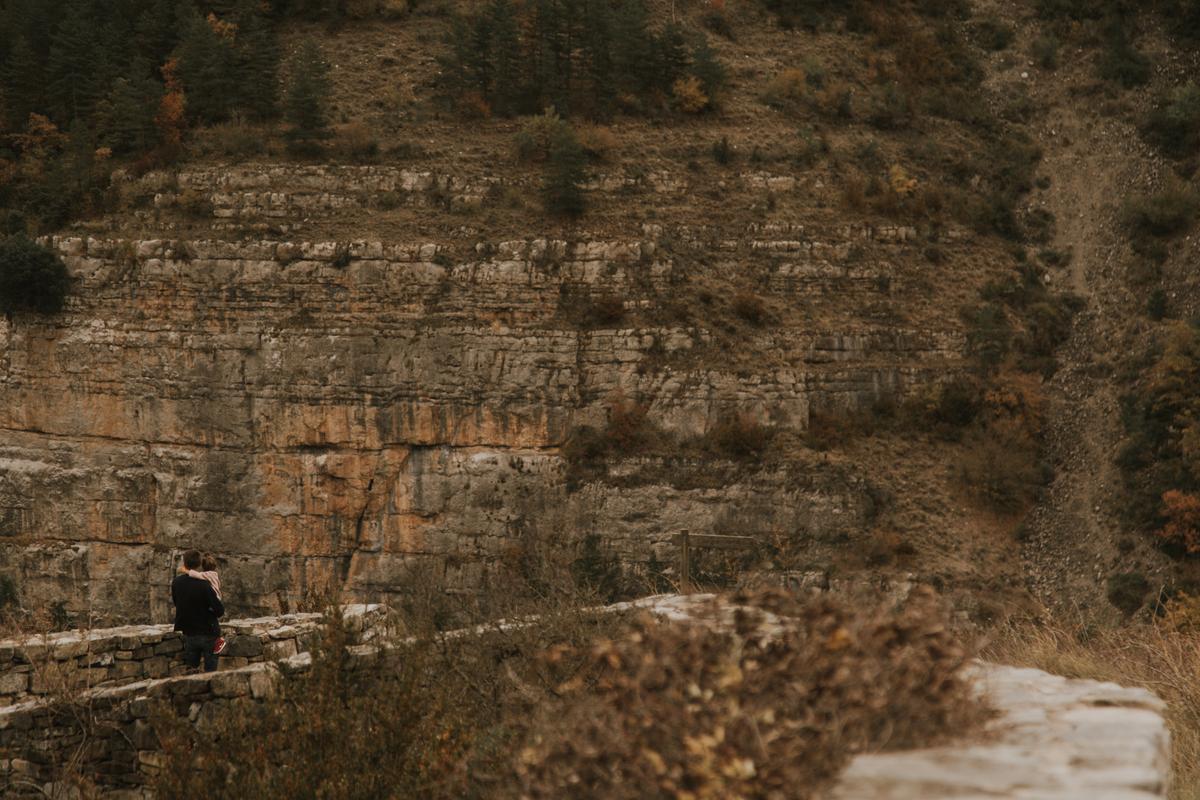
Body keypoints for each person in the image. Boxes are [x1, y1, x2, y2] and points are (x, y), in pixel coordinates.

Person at [171, 549, 225, 672]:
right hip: (209, 632)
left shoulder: (176, 583)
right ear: (199, 564)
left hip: (189, 632)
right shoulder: (205, 585)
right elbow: (219, 610)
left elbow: (176, 603)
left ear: (184, 563)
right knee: (211, 671)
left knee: (191, 670)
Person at [184, 553, 227, 655]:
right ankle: (218, 638)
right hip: (217, 598)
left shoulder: (205, 575)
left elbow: (195, 574)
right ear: (215, 567)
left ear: (203, 567)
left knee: (210, 617)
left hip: (212, 599)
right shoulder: (215, 575)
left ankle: (219, 640)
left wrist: (185, 570)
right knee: (213, 621)